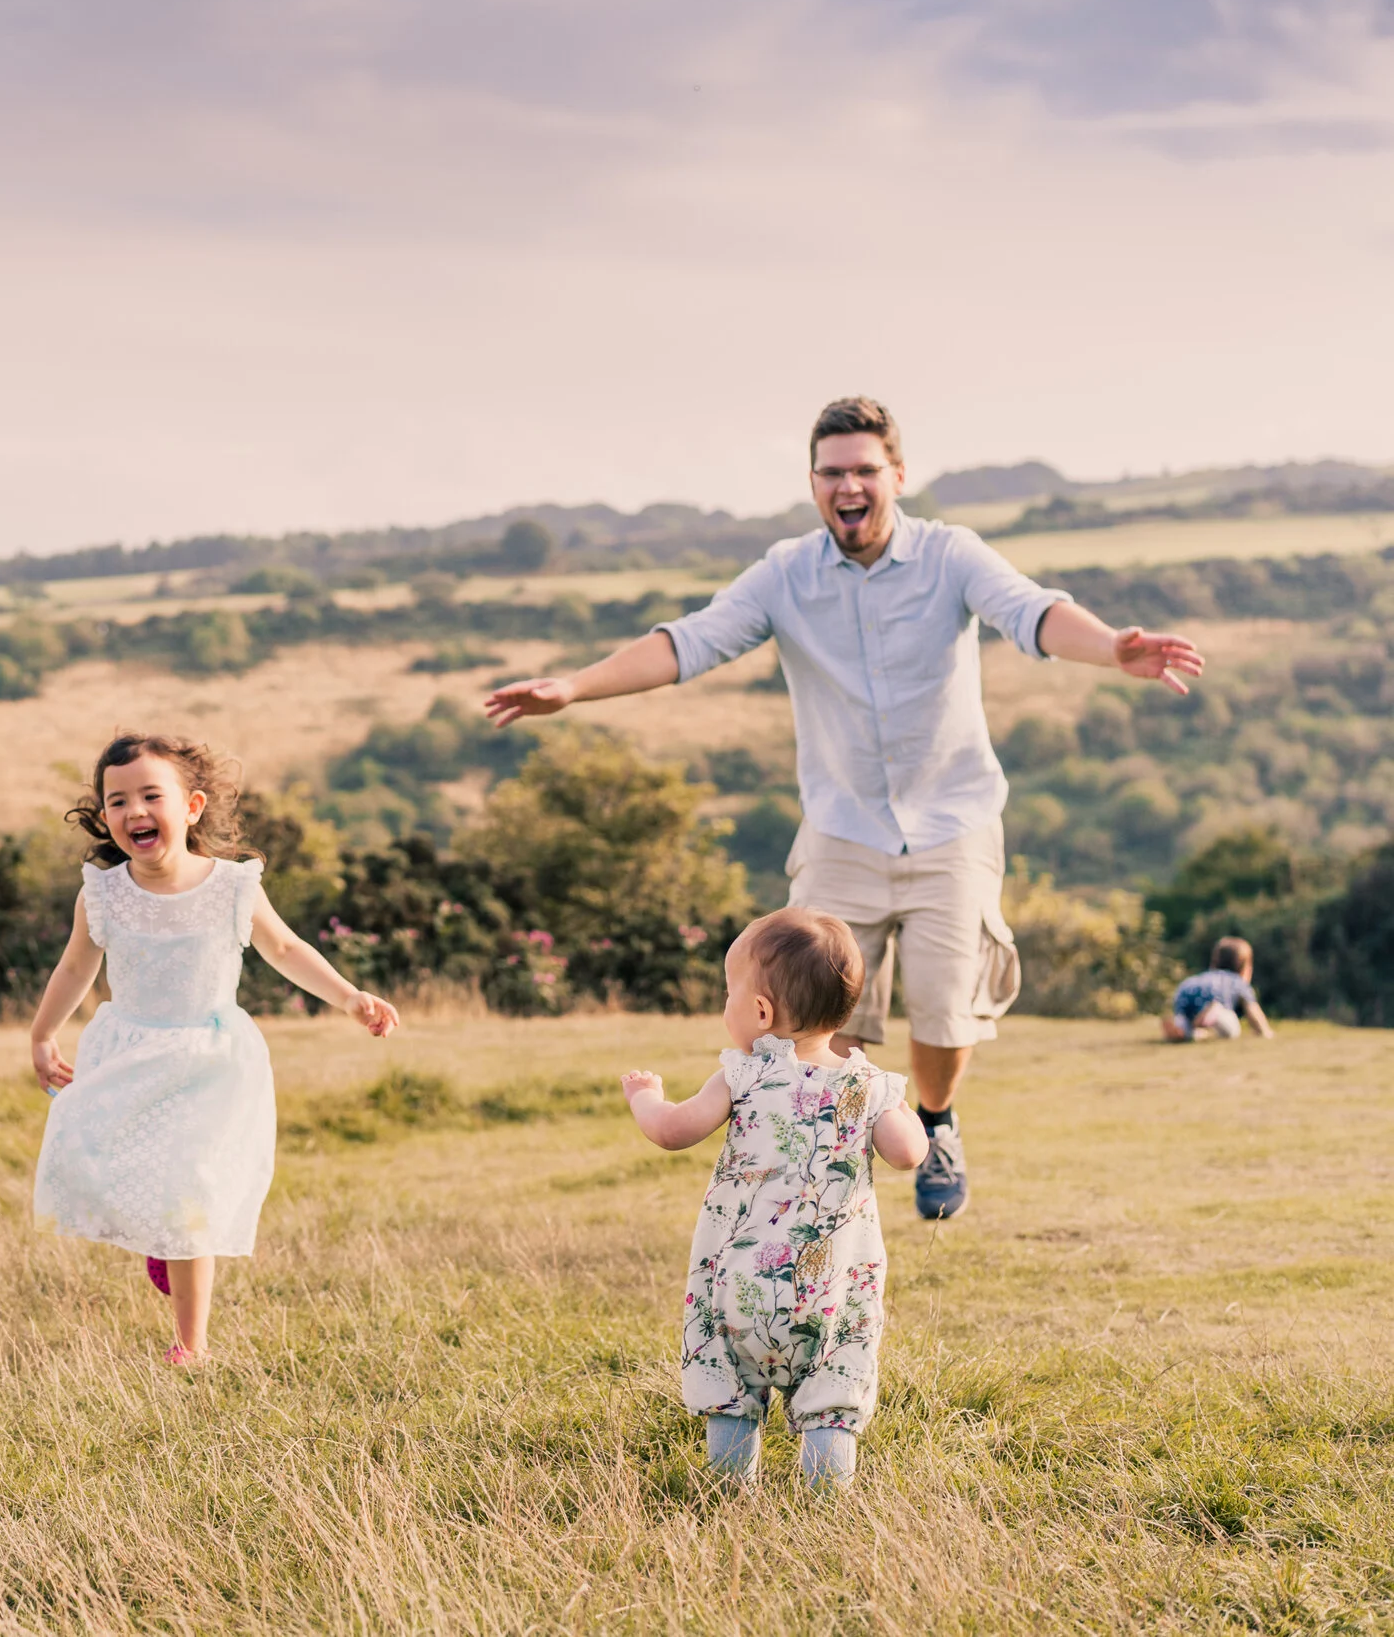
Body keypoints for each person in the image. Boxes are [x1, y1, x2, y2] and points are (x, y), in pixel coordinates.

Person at [487, 396, 1205, 1221]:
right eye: (833, 472)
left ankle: (933, 1121)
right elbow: (690, 640)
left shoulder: (950, 555)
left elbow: (1031, 612)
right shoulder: (785, 573)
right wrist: (573, 686)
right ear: (814, 483)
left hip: (952, 825)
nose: (849, 485)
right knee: (820, 1013)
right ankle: (828, 1177)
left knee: (944, 1009)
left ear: (897, 477)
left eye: (866, 469)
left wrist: (1112, 647)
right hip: (842, 831)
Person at [26, 733, 400, 1364]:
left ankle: (189, 1346)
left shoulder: (233, 887)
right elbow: (73, 970)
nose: (134, 811)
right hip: (129, 1053)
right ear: (104, 815)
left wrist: (349, 997)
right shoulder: (103, 894)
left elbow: (285, 950)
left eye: (152, 795)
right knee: (111, 1162)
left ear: (192, 806)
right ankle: (164, 1245)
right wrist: (42, 1033)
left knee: (190, 1193)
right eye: (117, 801)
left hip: (211, 1060)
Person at [621, 908, 928, 1490]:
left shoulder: (744, 1075)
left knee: (730, 1385)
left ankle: (729, 1490)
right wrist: (894, 1104)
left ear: (759, 1011)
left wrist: (645, 1096)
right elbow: (908, 1153)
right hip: (830, 1291)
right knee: (834, 1385)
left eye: (728, 994)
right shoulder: (867, 1084)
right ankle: (825, 1503)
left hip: (739, 1286)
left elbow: (672, 1131)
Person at [1162, 936, 1273, 1041]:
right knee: (1232, 1029)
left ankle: (1182, 1027)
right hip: (1214, 1004)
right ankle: (1212, 1014)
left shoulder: (1202, 978)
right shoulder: (1237, 981)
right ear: (1244, 968)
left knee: (1187, 1024)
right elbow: (1253, 1010)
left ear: (1214, 963)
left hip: (1186, 990)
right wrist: (1264, 1031)